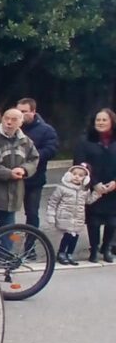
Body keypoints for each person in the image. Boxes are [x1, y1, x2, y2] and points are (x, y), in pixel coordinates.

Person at [0, 108, 38, 229]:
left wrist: (24, 170)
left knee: (9, 233)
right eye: (6, 119)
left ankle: (8, 247)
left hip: (14, 197)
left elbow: (34, 159)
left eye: (14, 120)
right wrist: (8, 173)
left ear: (21, 122)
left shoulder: (25, 141)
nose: (9, 122)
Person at [73, 108, 116, 263]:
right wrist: (94, 183)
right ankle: (94, 249)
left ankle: (107, 248)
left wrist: (114, 183)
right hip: (92, 188)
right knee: (94, 222)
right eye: (98, 120)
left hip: (113, 188)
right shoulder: (85, 141)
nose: (101, 122)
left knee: (112, 222)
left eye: (104, 120)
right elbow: (80, 164)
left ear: (111, 122)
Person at [15, 98, 58, 231]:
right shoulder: (11, 127)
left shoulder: (46, 130)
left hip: (34, 179)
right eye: (18, 111)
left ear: (33, 112)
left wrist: (31, 156)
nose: (20, 114)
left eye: (24, 111)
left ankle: (30, 245)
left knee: (32, 213)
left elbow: (51, 150)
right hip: (11, 178)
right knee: (8, 213)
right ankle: (9, 241)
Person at [46, 163, 101, 266]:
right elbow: (53, 201)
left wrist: (97, 193)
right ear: (69, 175)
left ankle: (70, 253)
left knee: (75, 236)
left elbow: (88, 201)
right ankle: (61, 252)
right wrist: (51, 215)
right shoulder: (62, 188)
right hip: (65, 217)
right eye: (74, 174)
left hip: (78, 217)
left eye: (80, 175)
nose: (77, 177)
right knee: (68, 235)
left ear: (85, 179)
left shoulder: (84, 191)